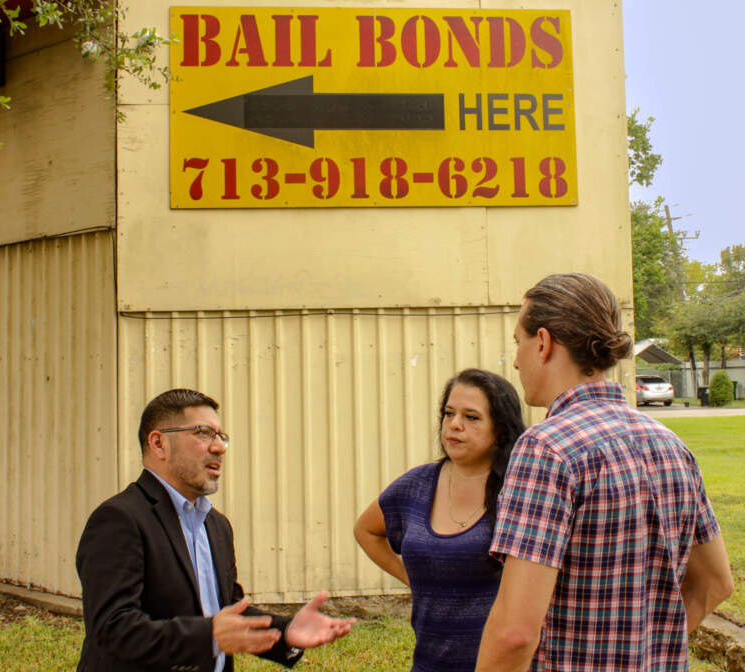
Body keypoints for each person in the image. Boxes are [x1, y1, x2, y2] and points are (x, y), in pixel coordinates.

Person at [475, 273, 735, 672]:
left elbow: (514, 633)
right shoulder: (670, 444)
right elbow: (716, 583)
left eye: (518, 343)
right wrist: (648, 650)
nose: (514, 359)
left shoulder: (546, 449)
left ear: (542, 343)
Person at [76, 388, 354, 672]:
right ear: (159, 444)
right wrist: (207, 636)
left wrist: (286, 632)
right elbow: (112, 628)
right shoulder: (119, 519)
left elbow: (225, 607)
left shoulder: (216, 525)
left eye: (221, 436)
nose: (219, 447)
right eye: (203, 433)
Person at [353, 368, 526, 671]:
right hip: (429, 662)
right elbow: (366, 531)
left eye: (471, 417)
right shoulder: (416, 485)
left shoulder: (518, 490)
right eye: (449, 414)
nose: (455, 425)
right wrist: (412, 578)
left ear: (499, 429)